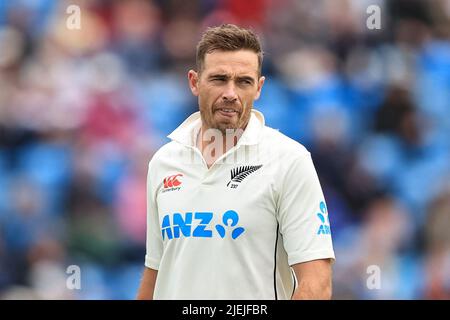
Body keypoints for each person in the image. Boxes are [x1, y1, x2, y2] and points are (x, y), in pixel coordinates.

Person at [136, 24, 335, 300]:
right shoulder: (164, 162)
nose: (231, 93)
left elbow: (316, 282)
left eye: (244, 81)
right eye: (219, 79)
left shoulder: (289, 160)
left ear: (259, 88)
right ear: (194, 82)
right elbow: (156, 271)